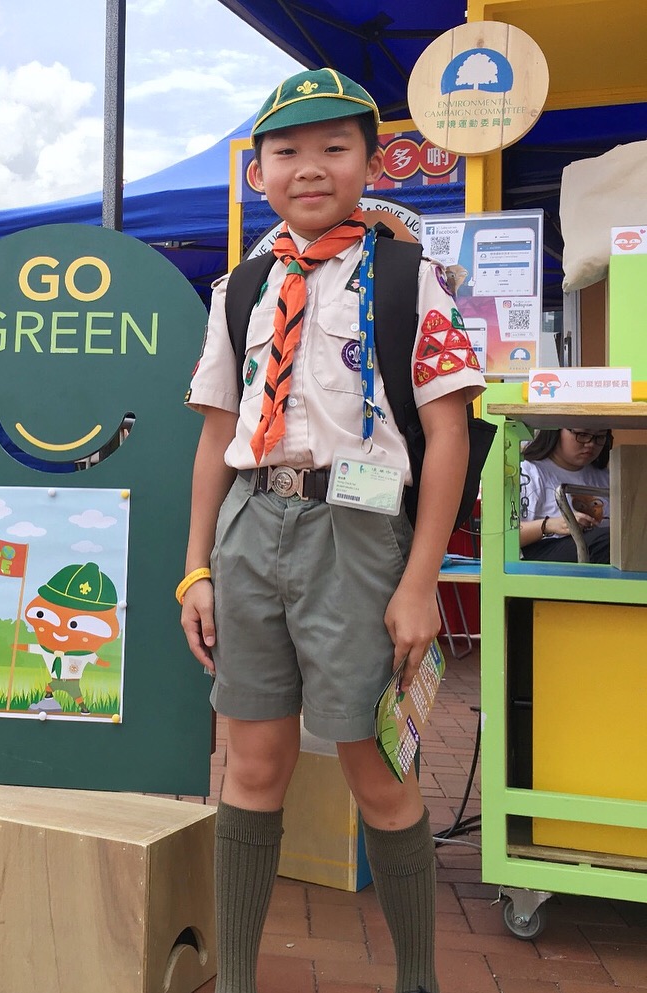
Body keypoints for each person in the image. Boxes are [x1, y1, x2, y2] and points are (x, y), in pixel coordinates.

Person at [177, 68, 485, 993]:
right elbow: (213, 434)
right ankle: (235, 979)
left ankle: (418, 977)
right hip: (248, 524)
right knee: (252, 758)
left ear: (370, 159)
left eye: (333, 148)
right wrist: (194, 569)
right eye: (286, 151)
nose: (309, 167)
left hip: (358, 535)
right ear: (258, 172)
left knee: (377, 763)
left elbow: (448, 436)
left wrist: (420, 582)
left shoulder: (409, 277)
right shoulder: (239, 289)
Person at [519, 427, 611, 563]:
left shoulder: (606, 477)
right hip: (545, 552)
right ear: (555, 431)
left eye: (600, 437)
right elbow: (504, 535)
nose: (590, 443)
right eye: (582, 434)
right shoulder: (529, 473)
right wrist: (549, 525)